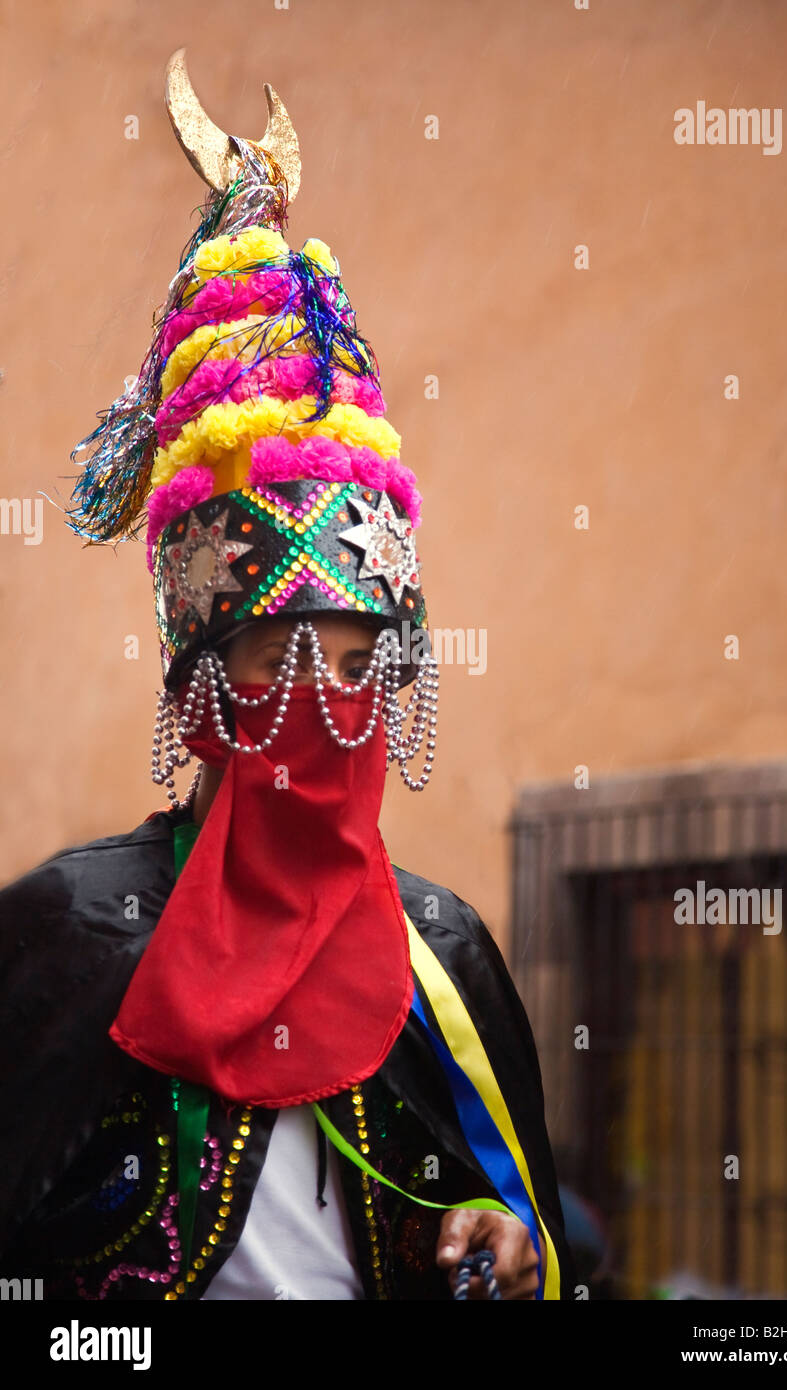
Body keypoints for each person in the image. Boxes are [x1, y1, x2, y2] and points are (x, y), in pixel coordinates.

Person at [0, 50, 573, 1302]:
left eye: (364, 668)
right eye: (282, 660)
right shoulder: (64, 933)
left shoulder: (443, 957)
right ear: (200, 688)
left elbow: (546, 1243)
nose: (327, 707)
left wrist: (506, 1239)